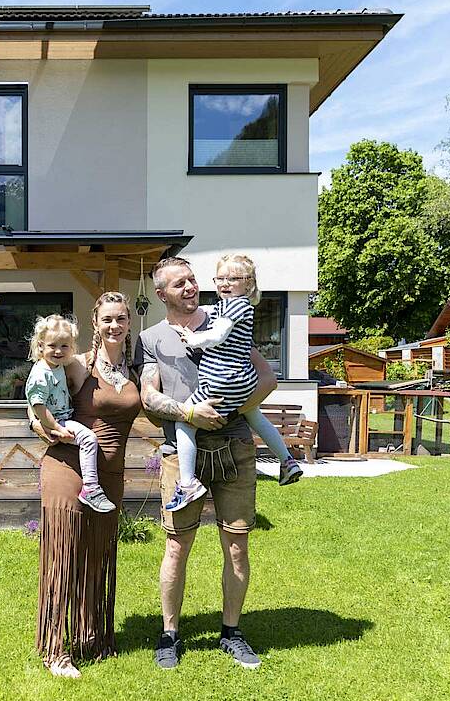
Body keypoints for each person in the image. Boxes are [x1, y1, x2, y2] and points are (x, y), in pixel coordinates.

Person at [134, 257, 276, 671]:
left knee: (237, 544)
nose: (191, 287)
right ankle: (170, 634)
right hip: (182, 452)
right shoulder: (151, 338)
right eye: (179, 284)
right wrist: (189, 414)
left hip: (234, 446)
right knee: (177, 546)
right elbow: (148, 395)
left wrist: (235, 410)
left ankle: (231, 633)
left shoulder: (226, 314)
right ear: (161, 294)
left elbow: (267, 376)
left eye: (192, 279)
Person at [28, 292, 139, 678]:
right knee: (66, 554)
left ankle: (92, 635)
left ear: (129, 323)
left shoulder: (136, 371)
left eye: (121, 318)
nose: (114, 325)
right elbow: (36, 395)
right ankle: (56, 649)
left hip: (109, 475)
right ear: (96, 323)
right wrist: (42, 427)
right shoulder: (77, 364)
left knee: (96, 556)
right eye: (107, 319)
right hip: (67, 465)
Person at [165, 254, 302, 511]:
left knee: (184, 424)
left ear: (248, 284)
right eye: (221, 278)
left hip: (222, 379)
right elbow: (208, 312)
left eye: (234, 278)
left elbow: (217, 334)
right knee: (256, 417)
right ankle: (287, 461)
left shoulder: (234, 307)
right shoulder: (233, 306)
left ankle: (187, 483)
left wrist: (192, 338)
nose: (225, 283)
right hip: (243, 380)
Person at [25, 315, 115, 513]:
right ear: (41, 346)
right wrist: (56, 428)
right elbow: (37, 405)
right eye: (52, 345)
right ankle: (90, 488)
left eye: (65, 346)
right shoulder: (41, 373)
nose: (58, 351)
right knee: (89, 439)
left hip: (63, 419)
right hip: (58, 421)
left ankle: (90, 487)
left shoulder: (56, 366)